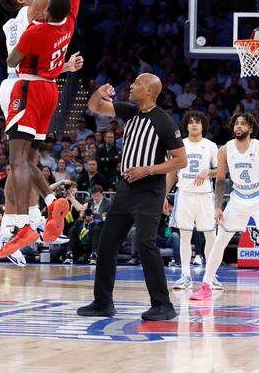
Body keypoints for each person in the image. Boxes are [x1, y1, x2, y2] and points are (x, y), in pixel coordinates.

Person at [0, 0, 106, 258]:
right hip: (28, 86)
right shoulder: (33, 14)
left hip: (29, 82)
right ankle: (23, 221)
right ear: (19, 0)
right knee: (22, 161)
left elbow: (21, 59)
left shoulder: (37, 25)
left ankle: (31, 218)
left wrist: (60, 67)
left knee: (22, 161)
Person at [78, 74, 186, 321]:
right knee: (107, 243)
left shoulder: (165, 121)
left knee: (146, 244)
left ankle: (163, 304)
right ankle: (103, 302)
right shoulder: (129, 111)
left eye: (136, 83)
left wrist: (147, 169)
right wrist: (99, 93)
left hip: (150, 190)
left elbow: (181, 161)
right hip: (125, 188)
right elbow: (94, 107)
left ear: (148, 90)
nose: (131, 86)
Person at [190, 112, 259, 304]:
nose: (239, 126)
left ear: (251, 129)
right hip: (237, 198)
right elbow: (220, 180)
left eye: (243, 124)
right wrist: (217, 207)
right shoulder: (225, 149)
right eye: (236, 123)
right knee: (220, 241)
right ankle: (206, 286)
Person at [168, 111, 218, 291]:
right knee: (185, 236)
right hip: (184, 194)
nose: (194, 125)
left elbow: (221, 172)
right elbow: (171, 173)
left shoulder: (211, 146)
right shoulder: (179, 145)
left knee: (210, 237)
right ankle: (185, 275)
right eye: (191, 122)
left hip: (205, 195)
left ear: (203, 125)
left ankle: (211, 276)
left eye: (197, 122)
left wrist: (208, 173)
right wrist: (165, 196)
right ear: (186, 126)